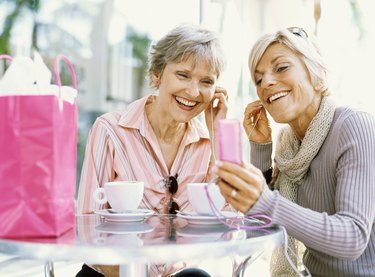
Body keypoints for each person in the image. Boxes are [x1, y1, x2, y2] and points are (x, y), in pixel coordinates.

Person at [212, 27, 375, 277]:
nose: (266, 82)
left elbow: (352, 237)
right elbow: (260, 227)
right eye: (258, 79)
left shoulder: (354, 125)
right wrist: (260, 147)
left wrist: (265, 203)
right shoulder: (289, 146)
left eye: (281, 68)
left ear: (317, 75)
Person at [75, 24, 228, 277]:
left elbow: (227, 222)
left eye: (206, 81)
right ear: (157, 74)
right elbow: (89, 226)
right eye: (183, 75)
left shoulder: (206, 142)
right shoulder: (110, 129)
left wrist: (219, 134)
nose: (193, 91)